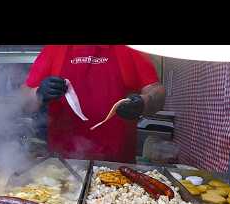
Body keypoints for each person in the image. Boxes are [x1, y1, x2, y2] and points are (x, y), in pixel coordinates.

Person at [22, 45, 166, 162]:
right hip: (63, 165)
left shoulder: (129, 48)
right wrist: (38, 93)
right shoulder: (54, 49)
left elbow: (156, 91)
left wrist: (144, 102)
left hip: (117, 164)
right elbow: (23, 102)